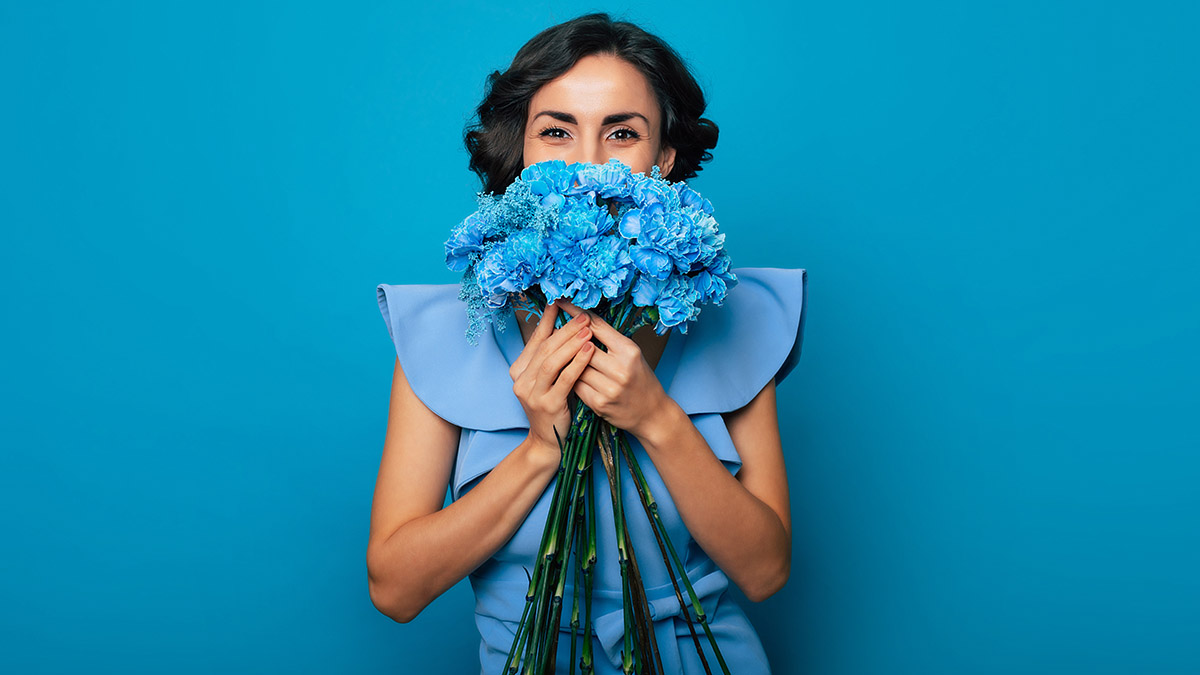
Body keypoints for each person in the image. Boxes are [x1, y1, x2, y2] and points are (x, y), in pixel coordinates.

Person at [367, 12, 808, 674]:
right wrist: (542, 450)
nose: (587, 165)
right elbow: (395, 590)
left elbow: (767, 569)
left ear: (662, 160)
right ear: (521, 151)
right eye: (556, 132)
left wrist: (656, 419)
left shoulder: (737, 320)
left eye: (622, 133)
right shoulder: (443, 338)